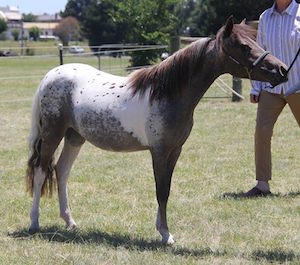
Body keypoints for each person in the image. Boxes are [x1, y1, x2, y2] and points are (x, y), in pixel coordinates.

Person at [246, 0, 300, 197]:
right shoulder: (265, 17)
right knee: (261, 131)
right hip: (272, 87)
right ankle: (262, 185)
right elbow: (259, 53)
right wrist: (256, 87)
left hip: (298, 85)